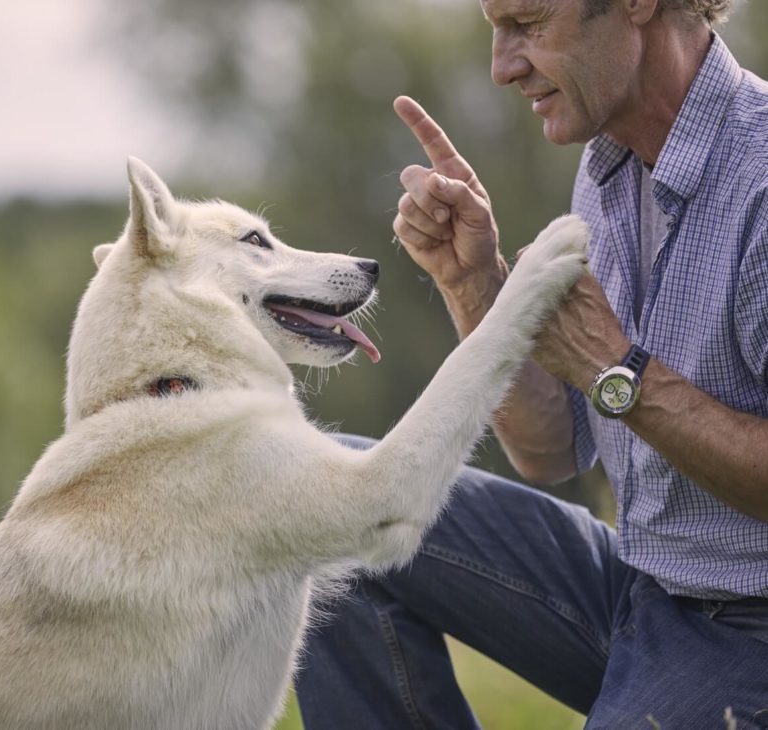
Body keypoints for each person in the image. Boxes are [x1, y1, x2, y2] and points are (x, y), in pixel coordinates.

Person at [294, 0, 768, 726]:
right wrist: (474, 283)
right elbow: (548, 452)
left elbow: (612, 375)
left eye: (527, 23)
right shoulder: (607, 167)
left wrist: (617, 368)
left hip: (750, 625)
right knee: (329, 508)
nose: (502, 66)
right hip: (643, 586)